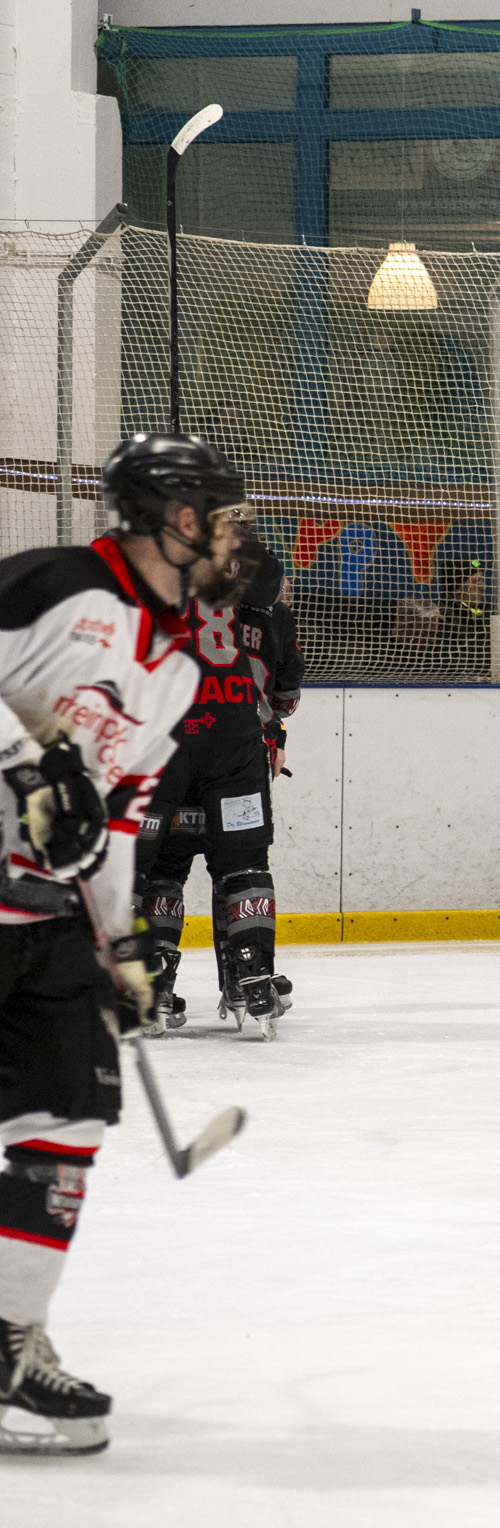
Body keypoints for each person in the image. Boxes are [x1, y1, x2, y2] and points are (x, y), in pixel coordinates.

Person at [0, 432, 255, 1451]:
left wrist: (120, 947)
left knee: (65, 1121)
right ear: (175, 515)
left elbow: (112, 812)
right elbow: (44, 772)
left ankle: (10, 1350)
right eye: (225, 514)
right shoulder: (55, 585)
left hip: (43, 919)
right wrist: (21, 760)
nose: (239, 534)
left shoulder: (183, 669)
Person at [133, 534, 302, 1035]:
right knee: (243, 865)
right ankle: (250, 977)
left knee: (160, 866)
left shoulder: (149, 580)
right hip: (233, 744)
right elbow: (285, 693)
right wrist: (271, 728)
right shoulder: (264, 604)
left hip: (163, 742)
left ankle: (151, 985)